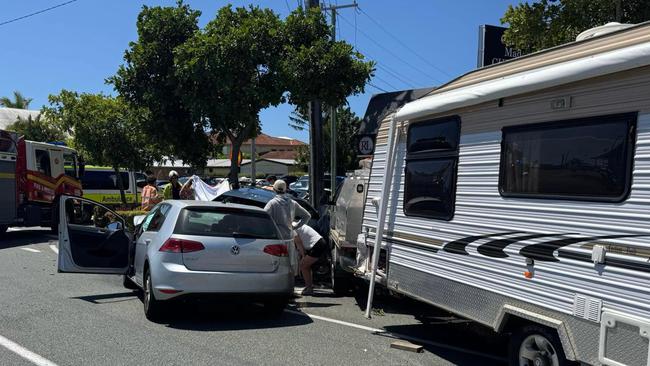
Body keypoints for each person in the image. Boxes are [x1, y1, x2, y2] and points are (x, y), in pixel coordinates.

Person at [294, 225, 327, 296]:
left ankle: (309, 289)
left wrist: (303, 256)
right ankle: (309, 286)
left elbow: (299, 244)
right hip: (318, 243)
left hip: (317, 245)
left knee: (303, 266)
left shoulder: (293, 229)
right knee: (306, 266)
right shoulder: (297, 225)